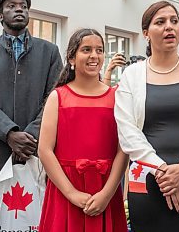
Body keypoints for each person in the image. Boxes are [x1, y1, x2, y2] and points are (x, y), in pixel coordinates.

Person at [114, 1, 179, 232]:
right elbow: (127, 131)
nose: (169, 27)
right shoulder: (131, 75)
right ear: (146, 33)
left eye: (175, 21)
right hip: (149, 179)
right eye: (160, 22)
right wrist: (165, 173)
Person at [0, 0, 62, 196]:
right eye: (11, 6)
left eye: (24, 6)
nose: (19, 9)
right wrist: (10, 134)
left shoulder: (49, 52)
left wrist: (30, 137)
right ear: (1, 15)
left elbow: (55, 99)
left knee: (40, 219)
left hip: (39, 149)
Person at [38, 28, 128, 232]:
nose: (94, 55)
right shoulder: (58, 97)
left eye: (99, 50)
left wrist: (107, 193)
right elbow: (44, 150)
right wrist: (71, 193)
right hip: (65, 188)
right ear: (71, 57)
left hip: (106, 188)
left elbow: (123, 150)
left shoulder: (117, 98)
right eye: (86, 49)